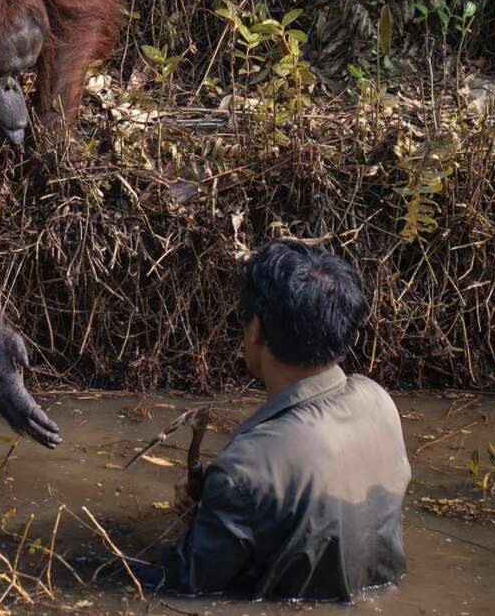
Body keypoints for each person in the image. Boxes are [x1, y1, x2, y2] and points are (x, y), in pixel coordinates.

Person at [141, 239, 411, 601]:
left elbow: (181, 585)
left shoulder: (247, 467)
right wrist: (213, 509)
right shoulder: (378, 401)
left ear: (255, 329)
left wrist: (212, 511)